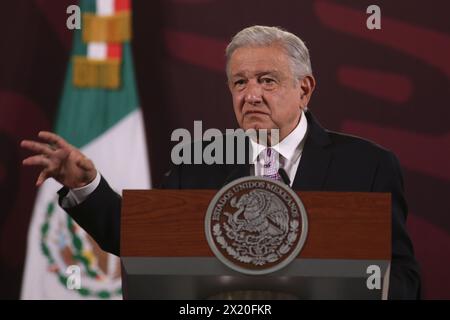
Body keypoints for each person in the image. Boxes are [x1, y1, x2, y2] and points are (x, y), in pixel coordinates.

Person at [21, 26, 420, 299]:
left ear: (305, 89)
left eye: (268, 80)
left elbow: (403, 278)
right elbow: (141, 242)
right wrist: (85, 186)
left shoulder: (368, 165)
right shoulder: (196, 164)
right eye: (240, 82)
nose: (251, 95)